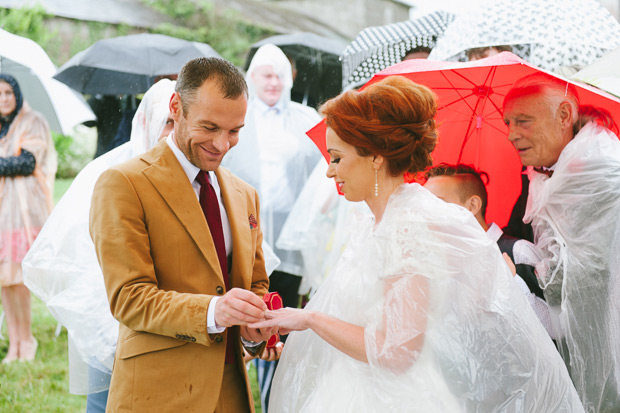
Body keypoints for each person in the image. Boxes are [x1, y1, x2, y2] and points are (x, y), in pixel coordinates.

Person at [251, 76, 582, 411]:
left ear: (375, 157)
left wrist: (309, 320)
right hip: (351, 388)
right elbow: (359, 318)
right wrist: (298, 335)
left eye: (336, 158)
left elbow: (397, 351)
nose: (329, 172)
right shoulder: (372, 222)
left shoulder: (409, 226)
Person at [89, 57, 276, 412]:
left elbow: (256, 284)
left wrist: (254, 328)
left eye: (234, 131)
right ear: (176, 107)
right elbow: (130, 298)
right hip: (157, 396)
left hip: (231, 394)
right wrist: (216, 311)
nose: (222, 144)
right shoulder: (124, 184)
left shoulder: (245, 194)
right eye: (209, 127)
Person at [22, 79, 176, 412]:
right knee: (106, 399)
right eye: (168, 121)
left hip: (166, 315)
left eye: (181, 123)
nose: (173, 133)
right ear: (147, 121)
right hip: (107, 307)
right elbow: (77, 251)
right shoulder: (107, 171)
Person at [503, 72, 620, 412]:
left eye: (523, 121)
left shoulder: (602, 173)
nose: (511, 134)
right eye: (508, 122)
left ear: (565, 116)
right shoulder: (544, 174)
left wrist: (518, 274)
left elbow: (583, 280)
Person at [221, 43, 321, 411]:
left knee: (283, 318)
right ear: (251, 77)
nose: (274, 82)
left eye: (280, 74)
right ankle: (240, 392)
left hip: (292, 241)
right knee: (249, 315)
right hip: (246, 236)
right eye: (266, 74)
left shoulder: (304, 117)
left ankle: (277, 397)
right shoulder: (238, 118)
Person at [424, 163, 554, 338]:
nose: (426, 212)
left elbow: (557, 328)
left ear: (472, 205)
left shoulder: (518, 251)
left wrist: (512, 284)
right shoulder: (442, 265)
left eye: (437, 202)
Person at [0, 74, 57, 363]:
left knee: (19, 280)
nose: (4, 99)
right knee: (4, 282)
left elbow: (27, 162)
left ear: (17, 94)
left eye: (8, 92)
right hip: (1, 214)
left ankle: (27, 340)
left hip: (23, 213)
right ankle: (13, 343)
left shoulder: (33, 121)